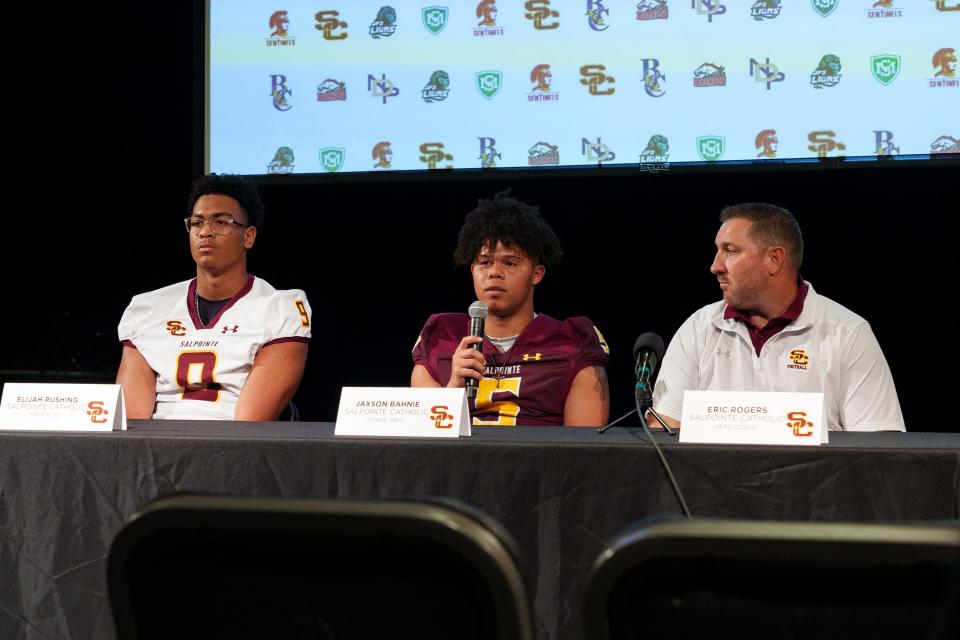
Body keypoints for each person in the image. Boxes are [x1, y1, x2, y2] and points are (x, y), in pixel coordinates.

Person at [650, 202, 904, 432]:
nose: (715, 266)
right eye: (718, 250)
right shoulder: (699, 328)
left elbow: (878, 447)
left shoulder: (847, 332)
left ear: (774, 260)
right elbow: (664, 429)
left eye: (730, 251)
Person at [116, 174, 311, 420]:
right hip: (155, 447)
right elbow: (130, 421)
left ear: (248, 236)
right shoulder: (147, 308)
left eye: (221, 222)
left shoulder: (279, 308)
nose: (206, 232)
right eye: (197, 222)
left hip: (231, 448)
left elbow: (251, 422)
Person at [411, 192, 610, 426]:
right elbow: (421, 445)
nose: (494, 272)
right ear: (473, 270)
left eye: (510, 263)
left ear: (537, 274)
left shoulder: (572, 342)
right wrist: (453, 390)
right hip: (455, 462)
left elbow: (586, 453)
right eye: (485, 262)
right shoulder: (441, 336)